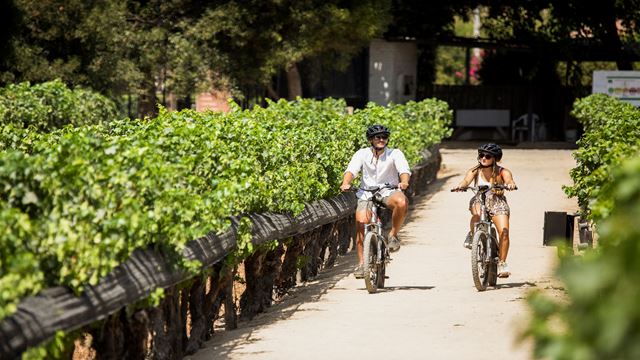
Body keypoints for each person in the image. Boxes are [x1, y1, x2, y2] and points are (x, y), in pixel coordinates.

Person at [340, 124, 411, 279]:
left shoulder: (395, 153)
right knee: (361, 223)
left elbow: (404, 170)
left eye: (384, 137)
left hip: (388, 191)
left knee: (402, 201)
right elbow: (351, 170)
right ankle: (361, 264)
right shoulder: (362, 154)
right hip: (366, 194)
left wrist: (404, 181)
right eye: (377, 137)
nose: (381, 140)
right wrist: (346, 183)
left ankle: (393, 235)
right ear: (371, 140)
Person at [451, 143, 517, 278]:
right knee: (476, 215)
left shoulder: (502, 171)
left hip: (497, 202)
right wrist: (460, 186)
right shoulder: (475, 170)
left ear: (495, 158)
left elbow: (510, 180)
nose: (483, 158)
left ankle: (502, 263)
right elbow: (466, 181)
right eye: (481, 155)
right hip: (479, 199)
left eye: (487, 156)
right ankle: (472, 234)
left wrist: (510, 184)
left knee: (504, 232)